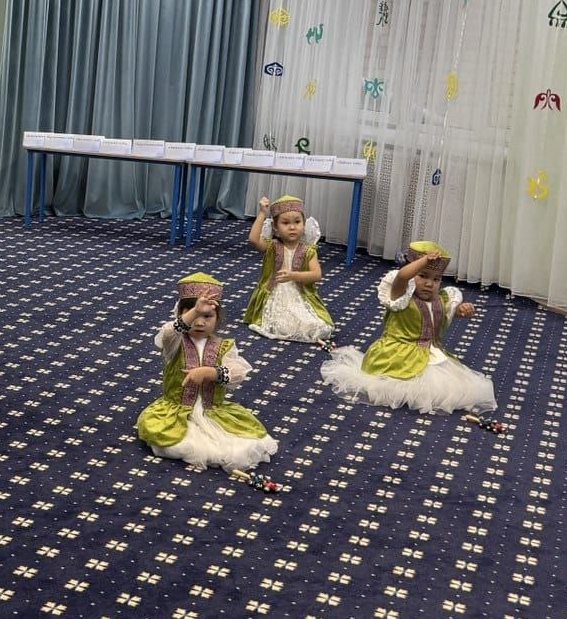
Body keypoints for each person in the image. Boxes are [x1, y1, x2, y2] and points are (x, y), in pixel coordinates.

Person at [320, 241, 496, 414]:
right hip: (397, 355)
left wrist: (460, 310)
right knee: (407, 387)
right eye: (423, 276)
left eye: (436, 279)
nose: (429, 284)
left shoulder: (440, 299)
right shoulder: (400, 295)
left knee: (454, 386)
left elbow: (442, 315)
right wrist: (424, 261)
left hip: (429, 353)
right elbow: (402, 277)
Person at [136, 273, 278, 474]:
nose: (200, 322)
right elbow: (168, 331)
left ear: (218, 319)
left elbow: (238, 374)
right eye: (194, 316)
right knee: (177, 445)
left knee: (245, 445)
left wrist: (210, 372)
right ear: (181, 315)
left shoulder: (223, 345)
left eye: (208, 316)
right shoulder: (174, 342)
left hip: (213, 410)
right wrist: (196, 310)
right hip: (177, 412)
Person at [243, 195, 333, 342]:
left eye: (297, 222)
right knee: (283, 325)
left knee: (315, 324)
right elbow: (253, 239)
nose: (292, 227)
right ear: (275, 227)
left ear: (304, 224)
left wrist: (293, 275)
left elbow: (316, 275)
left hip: (299, 293)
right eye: (285, 223)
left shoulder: (308, 250)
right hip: (276, 292)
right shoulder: (272, 246)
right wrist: (262, 213)